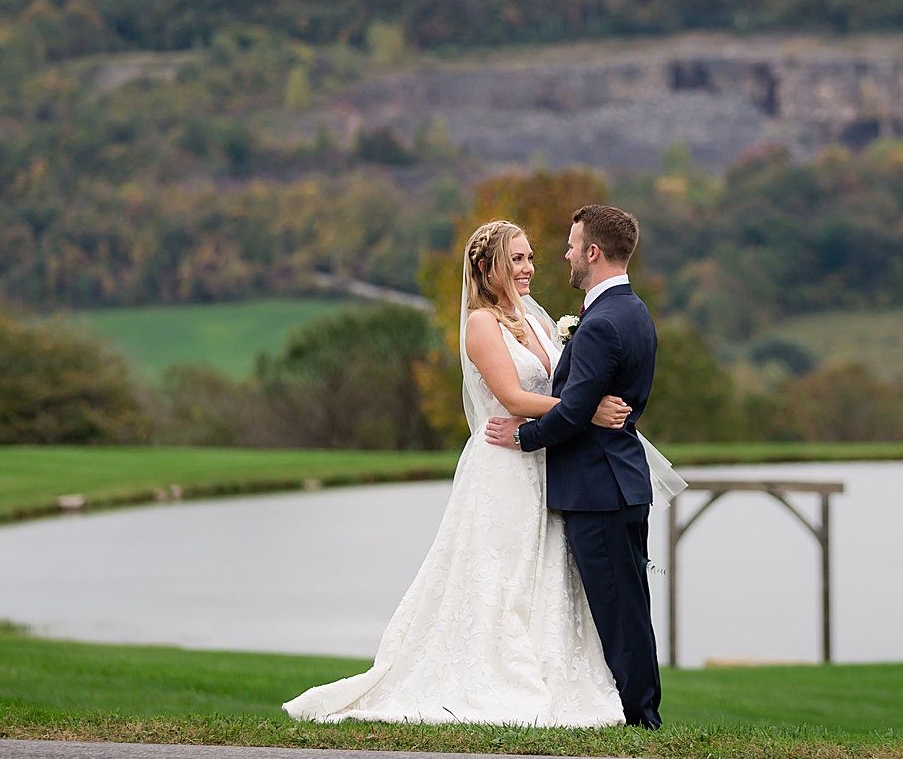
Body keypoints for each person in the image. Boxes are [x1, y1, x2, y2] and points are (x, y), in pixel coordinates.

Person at [283, 219, 633, 725]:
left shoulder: (536, 321)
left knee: (546, 569)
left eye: (531, 256)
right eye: (517, 259)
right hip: (504, 465)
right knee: (500, 573)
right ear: (486, 268)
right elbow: (511, 398)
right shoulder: (481, 324)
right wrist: (587, 410)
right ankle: (494, 673)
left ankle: (551, 667)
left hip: (543, 459)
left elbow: (559, 385)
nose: (530, 267)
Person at [485, 204, 663, 730]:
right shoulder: (633, 311)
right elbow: (589, 404)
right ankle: (639, 710)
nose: (563, 254)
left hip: (598, 488)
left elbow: (573, 411)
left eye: (569, 245)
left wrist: (524, 437)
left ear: (592, 252)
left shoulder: (601, 324)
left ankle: (640, 718)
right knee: (628, 603)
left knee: (617, 609)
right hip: (619, 480)